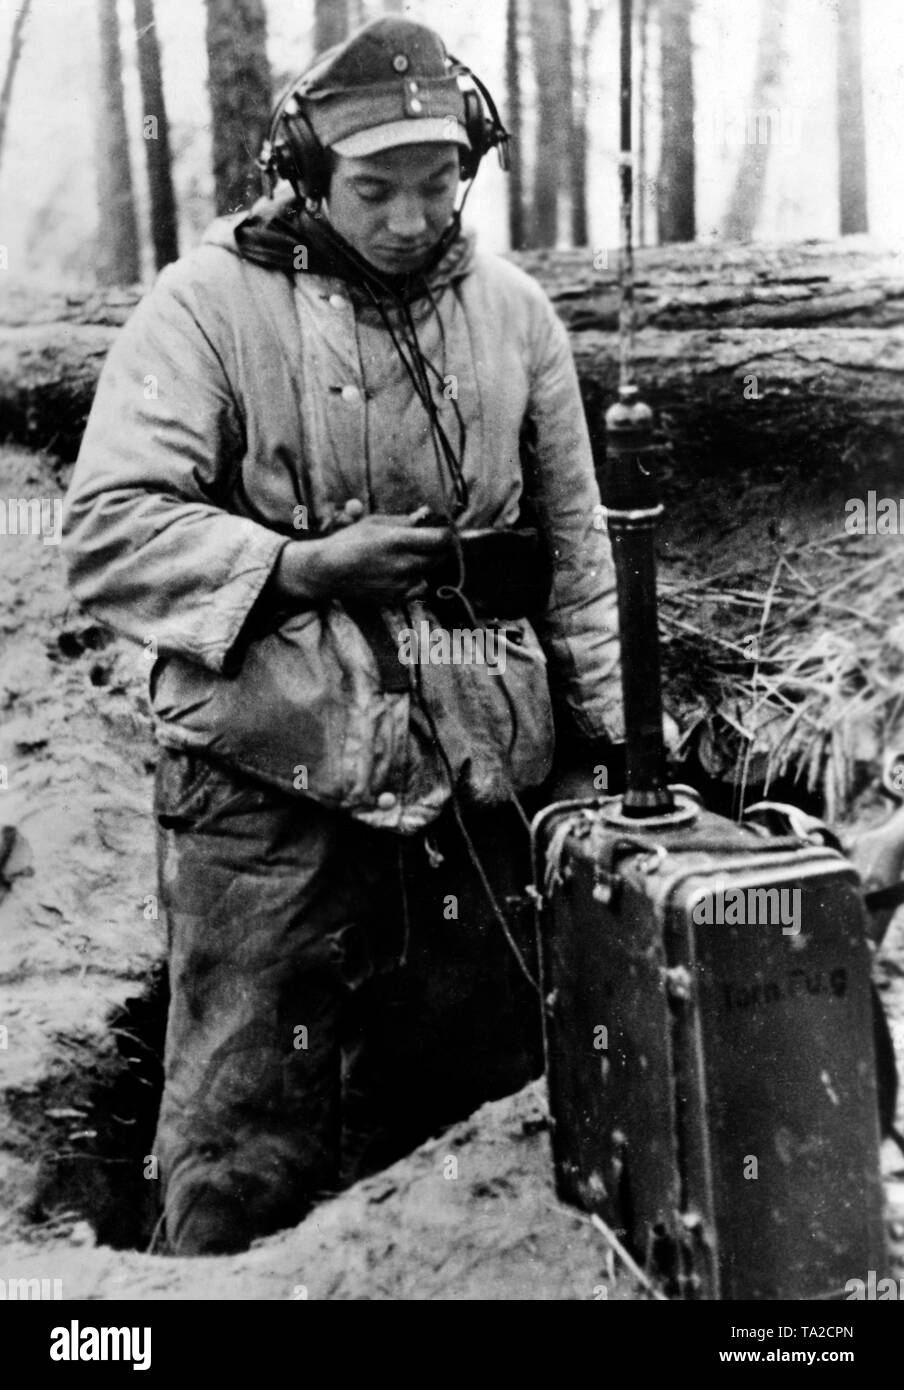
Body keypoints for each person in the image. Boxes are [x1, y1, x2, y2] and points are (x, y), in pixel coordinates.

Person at [62, 15, 631, 1255]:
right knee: (245, 1128)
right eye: (374, 190)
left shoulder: (516, 315)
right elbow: (106, 528)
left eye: (439, 185)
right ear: (305, 176)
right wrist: (296, 564)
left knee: (475, 1122)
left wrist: (601, 748)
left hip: (480, 772)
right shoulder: (206, 305)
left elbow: (580, 555)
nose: (412, 218)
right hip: (264, 771)